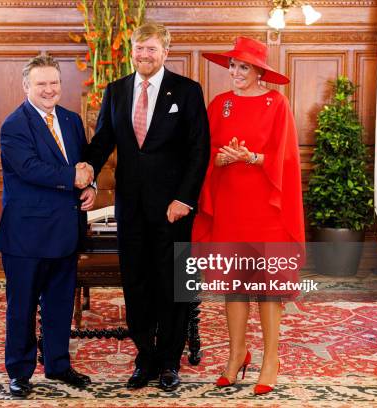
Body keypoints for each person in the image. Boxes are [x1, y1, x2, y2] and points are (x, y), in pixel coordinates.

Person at [84, 22, 210, 391]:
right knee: (137, 284)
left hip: (174, 209)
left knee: (173, 284)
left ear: (165, 51)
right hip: (131, 208)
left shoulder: (187, 91)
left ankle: (171, 360)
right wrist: (87, 169)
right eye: (138, 48)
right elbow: (103, 140)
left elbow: (198, 149)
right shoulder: (117, 90)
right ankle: (145, 357)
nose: (144, 55)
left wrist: (184, 198)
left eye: (151, 49)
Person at [193, 37, 305, 395]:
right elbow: (205, 151)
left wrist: (251, 158)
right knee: (233, 283)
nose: (236, 72)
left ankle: (271, 359)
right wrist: (221, 159)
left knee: (268, 287)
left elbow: (286, 157)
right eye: (232, 66)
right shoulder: (219, 104)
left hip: (266, 206)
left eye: (243, 66)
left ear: (259, 71)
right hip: (229, 202)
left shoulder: (277, 102)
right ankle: (236, 354)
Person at [0, 54, 95, 398]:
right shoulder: (14, 125)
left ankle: (58, 364)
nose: (49, 89)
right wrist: (74, 177)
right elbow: (30, 168)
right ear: (26, 86)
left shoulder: (70, 119)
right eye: (41, 84)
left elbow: (83, 164)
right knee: (21, 306)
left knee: (59, 303)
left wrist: (90, 187)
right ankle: (19, 372)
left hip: (65, 231)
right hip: (26, 235)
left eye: (54, 83)